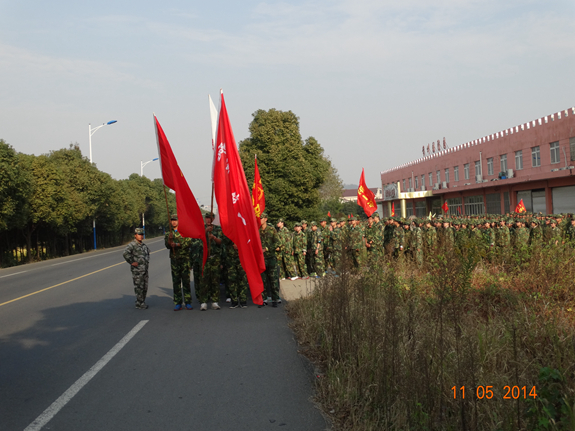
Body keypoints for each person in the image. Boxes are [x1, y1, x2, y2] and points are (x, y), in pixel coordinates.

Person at [165, 214, 193, 311]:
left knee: (186, 282)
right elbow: (167, 245)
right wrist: (170, 239)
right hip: (175, 260)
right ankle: (178, 302)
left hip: (184, 260)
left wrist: (177, 244)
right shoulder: (169, 232)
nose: (173, 222)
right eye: (172, 220)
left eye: (175, 220)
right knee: (176, 282)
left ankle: (188, 302)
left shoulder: (184, 231)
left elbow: (188, 243)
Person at [199, 212, 223, 311]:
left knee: (215, 280)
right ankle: (203, 302)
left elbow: (221, 242)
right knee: (204, 281)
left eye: (210, 218)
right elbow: (198, 239)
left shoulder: (217, 228)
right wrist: (205, 232)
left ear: (213, 219)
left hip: (215, 258)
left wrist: (214, 238)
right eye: (207, 218)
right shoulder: (201, 228)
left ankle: (215, 301)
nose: (208, 220)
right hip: (204, 258)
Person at [123, 228, 150, 309]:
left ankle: (142, 301)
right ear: (135, 235)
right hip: (137, 270)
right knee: (139, 286)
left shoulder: (143, 246)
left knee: (144, 286)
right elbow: (125, 253)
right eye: (139, 234)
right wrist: (131, 262)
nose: (141, 236)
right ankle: (139, 303)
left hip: (144, 269)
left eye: (142, 234)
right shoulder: (132, 245)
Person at [259, 213, 280, 307]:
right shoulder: (257, 230)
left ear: (266, 219)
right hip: (261, 259)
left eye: (261, 218)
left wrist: (267, 248)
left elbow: (278, 242)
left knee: (273, 279)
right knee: (262, 280)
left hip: (271, 258)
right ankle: (263, 299)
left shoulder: (272, 230)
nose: (260, 220)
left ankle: (275, 299)